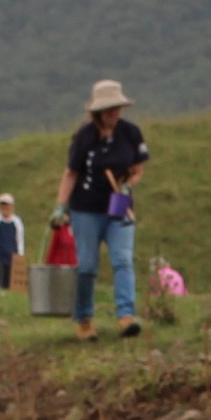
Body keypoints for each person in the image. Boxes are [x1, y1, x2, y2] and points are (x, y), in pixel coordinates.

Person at [52, 79, 149, 339]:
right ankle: (84, 320)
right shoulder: (84, 137)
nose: (113, 114)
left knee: (122, 259)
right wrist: (61, 206)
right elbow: (71, 173)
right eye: (108, 110)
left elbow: (138, 169)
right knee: (87, 266)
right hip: (86, 210)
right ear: (97, 111)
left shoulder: (131, 133)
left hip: (119, 208)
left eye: (117, 108)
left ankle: (126, 316)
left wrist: (128, 185)